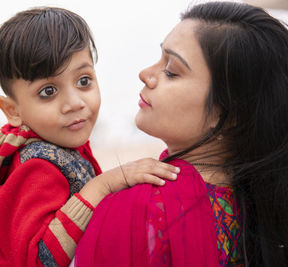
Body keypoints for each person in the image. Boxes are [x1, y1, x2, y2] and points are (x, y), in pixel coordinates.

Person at [74, 2, 288, 266]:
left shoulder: (142, 208)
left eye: (171, 71)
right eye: (159, 58)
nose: (145, 74)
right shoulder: (264, 208)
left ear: (227, 114)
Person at [0, 7, 179, 267]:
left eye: (83, 81)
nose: (74, 103)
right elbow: (41, 259)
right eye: (48, 91)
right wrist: (105, 184)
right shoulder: (37, 166)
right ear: (13, 110)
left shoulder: (59, 142)